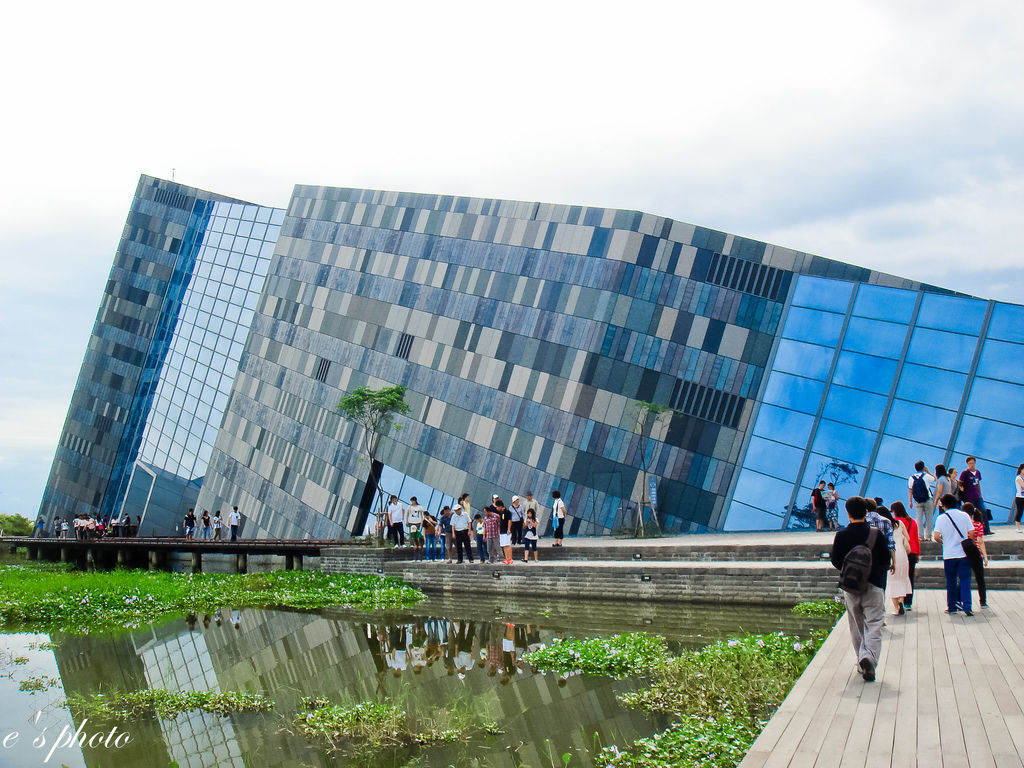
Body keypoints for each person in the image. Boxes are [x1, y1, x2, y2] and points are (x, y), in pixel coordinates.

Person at [830, 496, 891, 682]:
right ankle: (869, 658)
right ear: (866, 512)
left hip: (851, 587)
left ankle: (860, 660)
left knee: (856, 626)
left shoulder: (841, 535)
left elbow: (835, 561)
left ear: (848, 514)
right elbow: (885, 561)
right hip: (874, 586)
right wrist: (875, 573)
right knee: (874, 624)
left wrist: (851, 572)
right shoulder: (875, 534)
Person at [933, 493, 976, 615]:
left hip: (949, 554)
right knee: (965, 580)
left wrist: (945, 542)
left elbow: (936, 536)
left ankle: (952, 607)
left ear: (944, 505)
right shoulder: (964, 515)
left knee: (951, 581)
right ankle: (967, 606)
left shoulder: (941, 518)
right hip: (963, 553)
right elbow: (972, 533)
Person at [891, 502, 920, 610]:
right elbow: (916, 539)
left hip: (901, 552)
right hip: (912, 551)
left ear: (894, 511)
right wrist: (917, 553)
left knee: (899, 576)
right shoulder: (912, 521)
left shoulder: (896, 523)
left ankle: (899, 599)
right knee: (910, 577)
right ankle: (908, 602)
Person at [885, 510, 913, 615]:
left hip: (892, 554)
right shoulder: (899, 523)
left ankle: (896, 607)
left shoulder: (884, 526)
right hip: (902, 553)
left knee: (892, 580)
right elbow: (908, 538)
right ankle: (901, 601)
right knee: (902, 578)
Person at [963, 503, 989, 608]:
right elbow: (980, 541)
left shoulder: (963, 525)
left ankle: (960, 600)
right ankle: (983, 601)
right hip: (977, 553)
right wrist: (985, 556)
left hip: (964, 553)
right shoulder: (978, 524)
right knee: (980, 579)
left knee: (964, 577)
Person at [959, 456, 991, 535]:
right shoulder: (965, 473)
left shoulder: (977, 472)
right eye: (970, 463)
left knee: (983, 511)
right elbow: (960, 482)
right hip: (968, 496)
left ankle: (986, 529)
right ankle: (969, 530)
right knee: (969, 513)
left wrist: (980, 494)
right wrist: (962, 489)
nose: (971, 465)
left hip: (977, 496)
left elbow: (978, 483)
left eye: (973, 463)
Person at [908, 460, 936, 537]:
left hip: (917, 501)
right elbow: (935, 479)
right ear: (923, 467)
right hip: (928, 499)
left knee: (919, 518)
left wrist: (910, 501)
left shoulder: (911, 478)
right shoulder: (926, 476)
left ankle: (920, 536)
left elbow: (910, 490)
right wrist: (928, 471)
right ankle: (928, 536)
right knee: (929, 518)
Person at [932, 464, 952, 540]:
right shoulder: (947, 478)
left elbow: (939, 491)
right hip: (949, 501)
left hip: (942, 502)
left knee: (943, 518)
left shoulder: (940, 479)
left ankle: (944, 534)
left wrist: (936, 500)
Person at [497, 498, 513, 565]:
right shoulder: (501, 513)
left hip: (506, 531)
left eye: (497, 507)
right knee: (503, 545)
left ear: (500, 506)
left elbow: (509, 521)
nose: (497, 508)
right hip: (502, 531)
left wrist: (509, 529)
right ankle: (506, 558)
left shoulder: (507, 512)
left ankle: (510, 558)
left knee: (507, 545)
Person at [1015, 463, 1024, 534]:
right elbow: (1023, 486)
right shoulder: (1018, 478)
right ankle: (1017, 527)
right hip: (1020, 498)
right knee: (1019, 512)